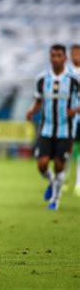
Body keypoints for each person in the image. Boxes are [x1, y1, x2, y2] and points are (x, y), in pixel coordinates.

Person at [26, 44, 79, 210]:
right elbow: (38, 100)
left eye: (58, 55)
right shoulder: (42, 79)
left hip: (65, 130)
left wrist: (75, 110)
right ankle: (52, 182)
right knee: (41, 164)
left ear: (65, 58)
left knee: (59, 165)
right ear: (50, 57)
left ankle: (55, 199)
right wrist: (31, 111)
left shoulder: (73, 80)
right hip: (46, 128)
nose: (55, 58)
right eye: (53, 55)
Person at [67, 44, 80, 196]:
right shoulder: (67, 73)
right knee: (66, 150)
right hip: (68, 118)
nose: (76, 55)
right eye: (74, 53)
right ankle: (63, 180)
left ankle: (78, 183)